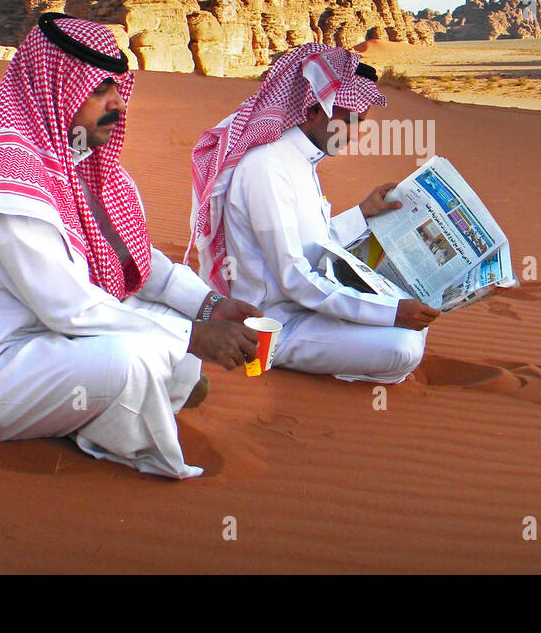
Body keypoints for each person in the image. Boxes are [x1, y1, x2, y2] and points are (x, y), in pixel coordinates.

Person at [0, 13, 260, 479]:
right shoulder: (4, 179)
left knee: (167, 332)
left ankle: (80, 406)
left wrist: (208, 307)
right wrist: (195, 337)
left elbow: (136, 262)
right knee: (132, 357)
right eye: (101, 91)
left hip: (45, 340)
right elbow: (70, 307)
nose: (119, 106)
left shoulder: (77, 165)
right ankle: (101, 423)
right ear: (56, 90)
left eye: (119, 90)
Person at [188, 43, 439, 384]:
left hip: (308, 307)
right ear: (312, 110)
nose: (353, 135)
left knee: (409, 324)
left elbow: (311, 244)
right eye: (347, 121)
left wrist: (363, 214)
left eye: (359, 124)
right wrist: (392, 312)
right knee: (404, 346)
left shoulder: (302, 161)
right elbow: (295, 278)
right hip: (275, 323)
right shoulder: (267, 167)